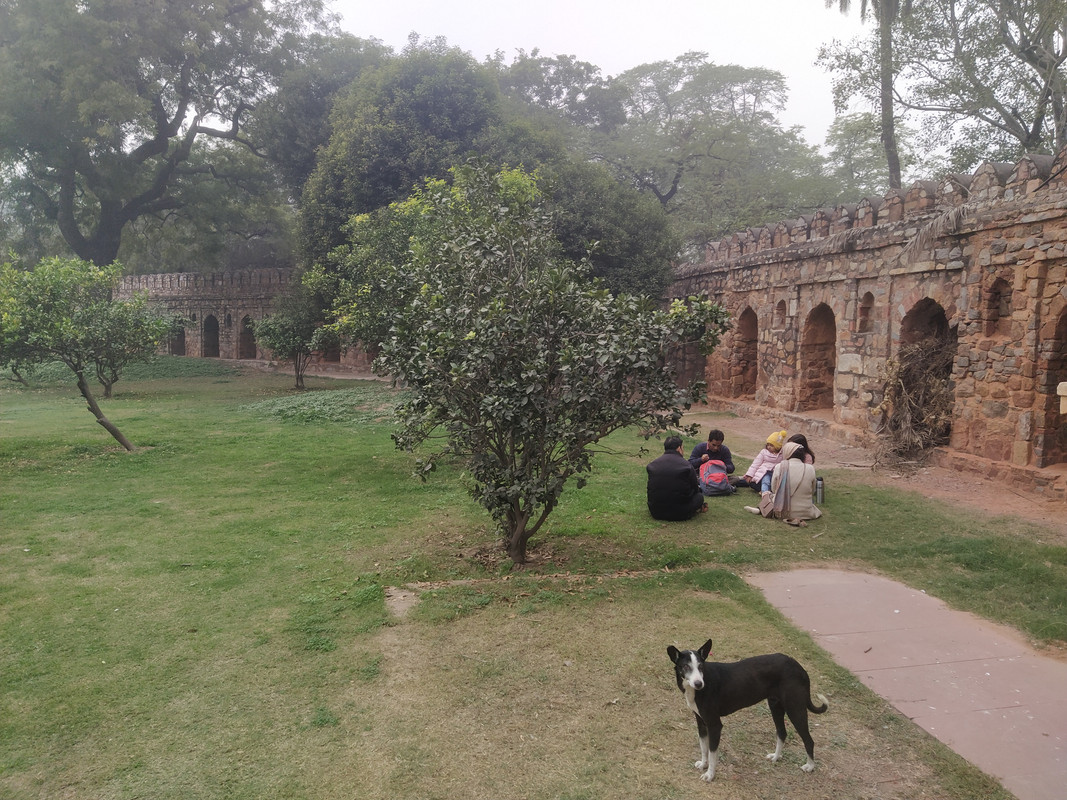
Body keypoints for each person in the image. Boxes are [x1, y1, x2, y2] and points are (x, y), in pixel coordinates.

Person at [745, 441, 822, 525]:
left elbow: (774, 489)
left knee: (769, 495)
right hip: (806, 511)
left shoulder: (780, 466)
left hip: (782, 510)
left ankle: (762, 509)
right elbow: (813, 489)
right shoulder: (810, 468)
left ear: (787, 453)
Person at [647, 435, 707, 521]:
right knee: (699, 496)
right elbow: (695, 487)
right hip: (681, 513)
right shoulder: (686, 465)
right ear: (679, 448)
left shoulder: (653, 465)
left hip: (656, 511)